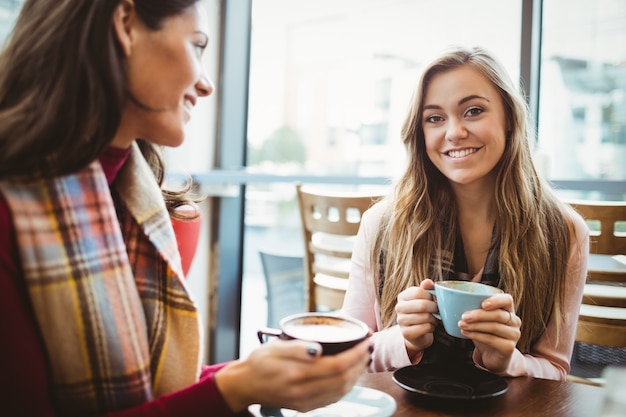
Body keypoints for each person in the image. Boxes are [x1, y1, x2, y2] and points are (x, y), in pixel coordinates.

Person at [0, 1, 371, 416]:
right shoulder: (10, 212)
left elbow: (154, 385)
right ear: (125, 24)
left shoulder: (132, 195)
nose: (207, 84)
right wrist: (231, 389)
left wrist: (254, 377)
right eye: (197, 45)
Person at [341, 46, 589, 380]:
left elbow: (555, 370)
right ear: (420, 134)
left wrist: (509, 361)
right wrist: (404, 341)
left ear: (510, 119)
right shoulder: (382, 224)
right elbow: (347, 355)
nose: (454, 132)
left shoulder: (564, 232)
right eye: (434, 118)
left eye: (473, 111)